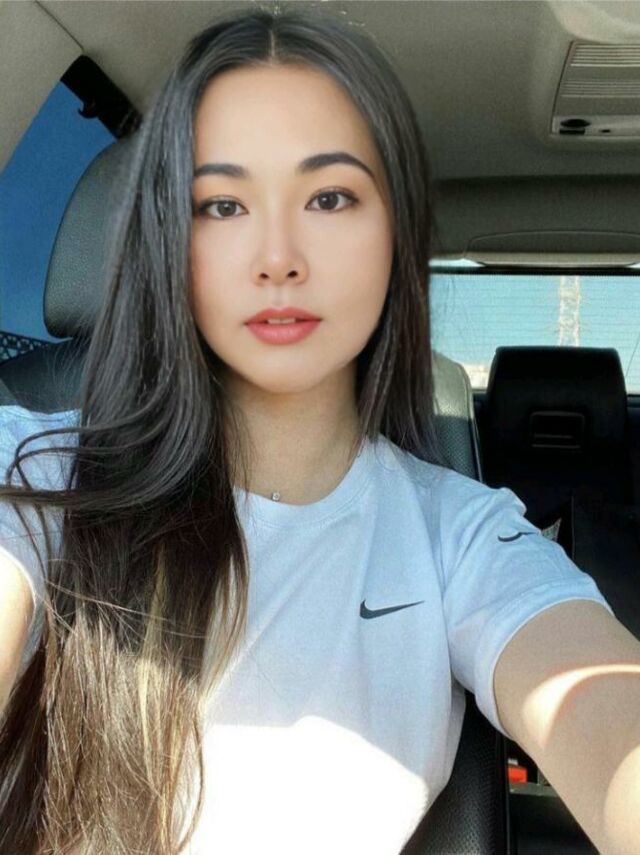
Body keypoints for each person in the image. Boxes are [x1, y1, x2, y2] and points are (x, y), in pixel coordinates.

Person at [0, 4, 625, 854]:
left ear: (395, 237)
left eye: (330, 197)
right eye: (223, 204)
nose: (278, 257)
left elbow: (603, 703)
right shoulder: (37, 475)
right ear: (167, 242)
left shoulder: (464, 540)